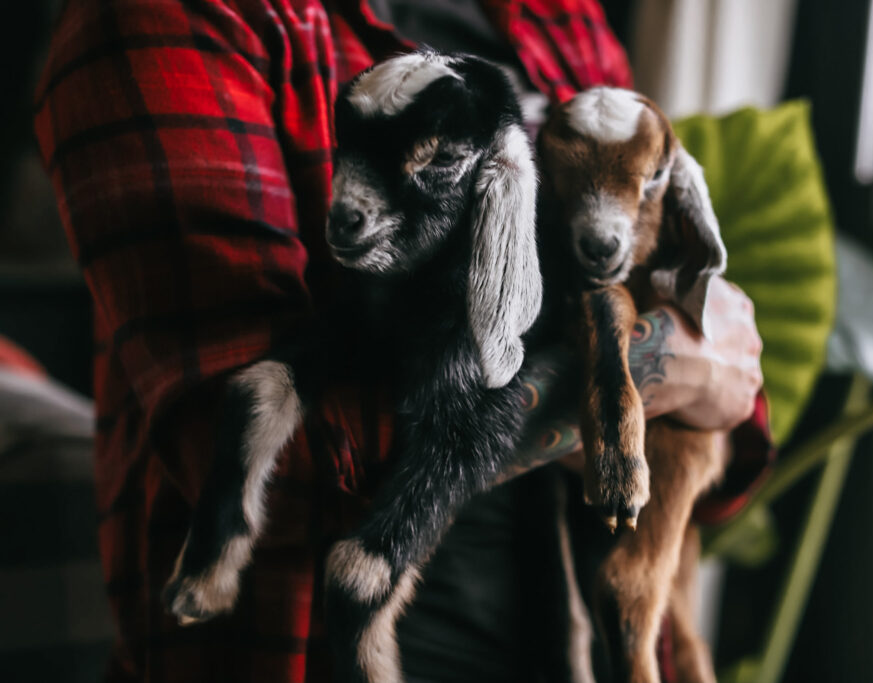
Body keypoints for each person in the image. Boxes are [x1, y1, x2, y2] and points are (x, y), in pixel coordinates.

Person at [33, 1, 766, 681]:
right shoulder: (175, 18)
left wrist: (683, 383)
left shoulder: (556, 14)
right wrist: (666, 369)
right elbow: (290, 469)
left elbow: (655, 267)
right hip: (296, 651)